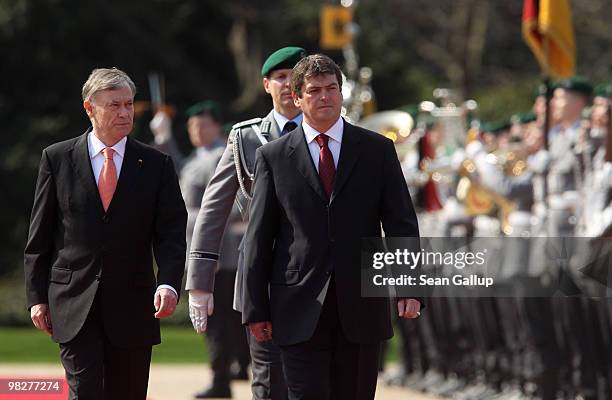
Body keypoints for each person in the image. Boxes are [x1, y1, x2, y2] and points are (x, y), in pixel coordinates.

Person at [241, 54, 422, 400]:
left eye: (332, 88)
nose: (325, 96)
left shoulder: (377, 150)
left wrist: (409, 286)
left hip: (361, 308)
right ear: (297, 98)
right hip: (296, 306)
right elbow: (259, 238)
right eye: (314, 90)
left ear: (341, 93)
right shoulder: (273, 157)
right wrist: (255, 308)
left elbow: (400, 221)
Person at [24, 67, 187, 399]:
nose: (125, 112)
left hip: (133, 306)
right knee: (85, 392)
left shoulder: (157, 164)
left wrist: (168, 283)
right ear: (89, 108)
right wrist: (36, 297)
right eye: (114, 105)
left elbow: (171, 233)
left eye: (128, 104)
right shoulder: (57, 159)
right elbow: (40, 235)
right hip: (73, 303)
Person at [186, 46, 306, 399]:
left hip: (317, 277)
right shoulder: (246, 137)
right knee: (268, 383)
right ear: (266, 84)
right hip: (263, 276)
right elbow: (213, 208)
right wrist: (200, 281)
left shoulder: (332, 135)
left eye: (294, 77)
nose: (288, 85)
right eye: (280, 78)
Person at [151, 101, 250, 398]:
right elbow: (179, 170)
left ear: (217, 126)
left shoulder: (221, 154)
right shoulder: (201, 156)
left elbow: (231, 208)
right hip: (202, 250)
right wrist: (164, 139)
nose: (196, 130)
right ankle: (231, 371)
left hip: (219, 254)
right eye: (192, 126)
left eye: (202, 125)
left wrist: (208, 247)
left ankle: (223, 379)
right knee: (220, 321)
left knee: (220, 321)